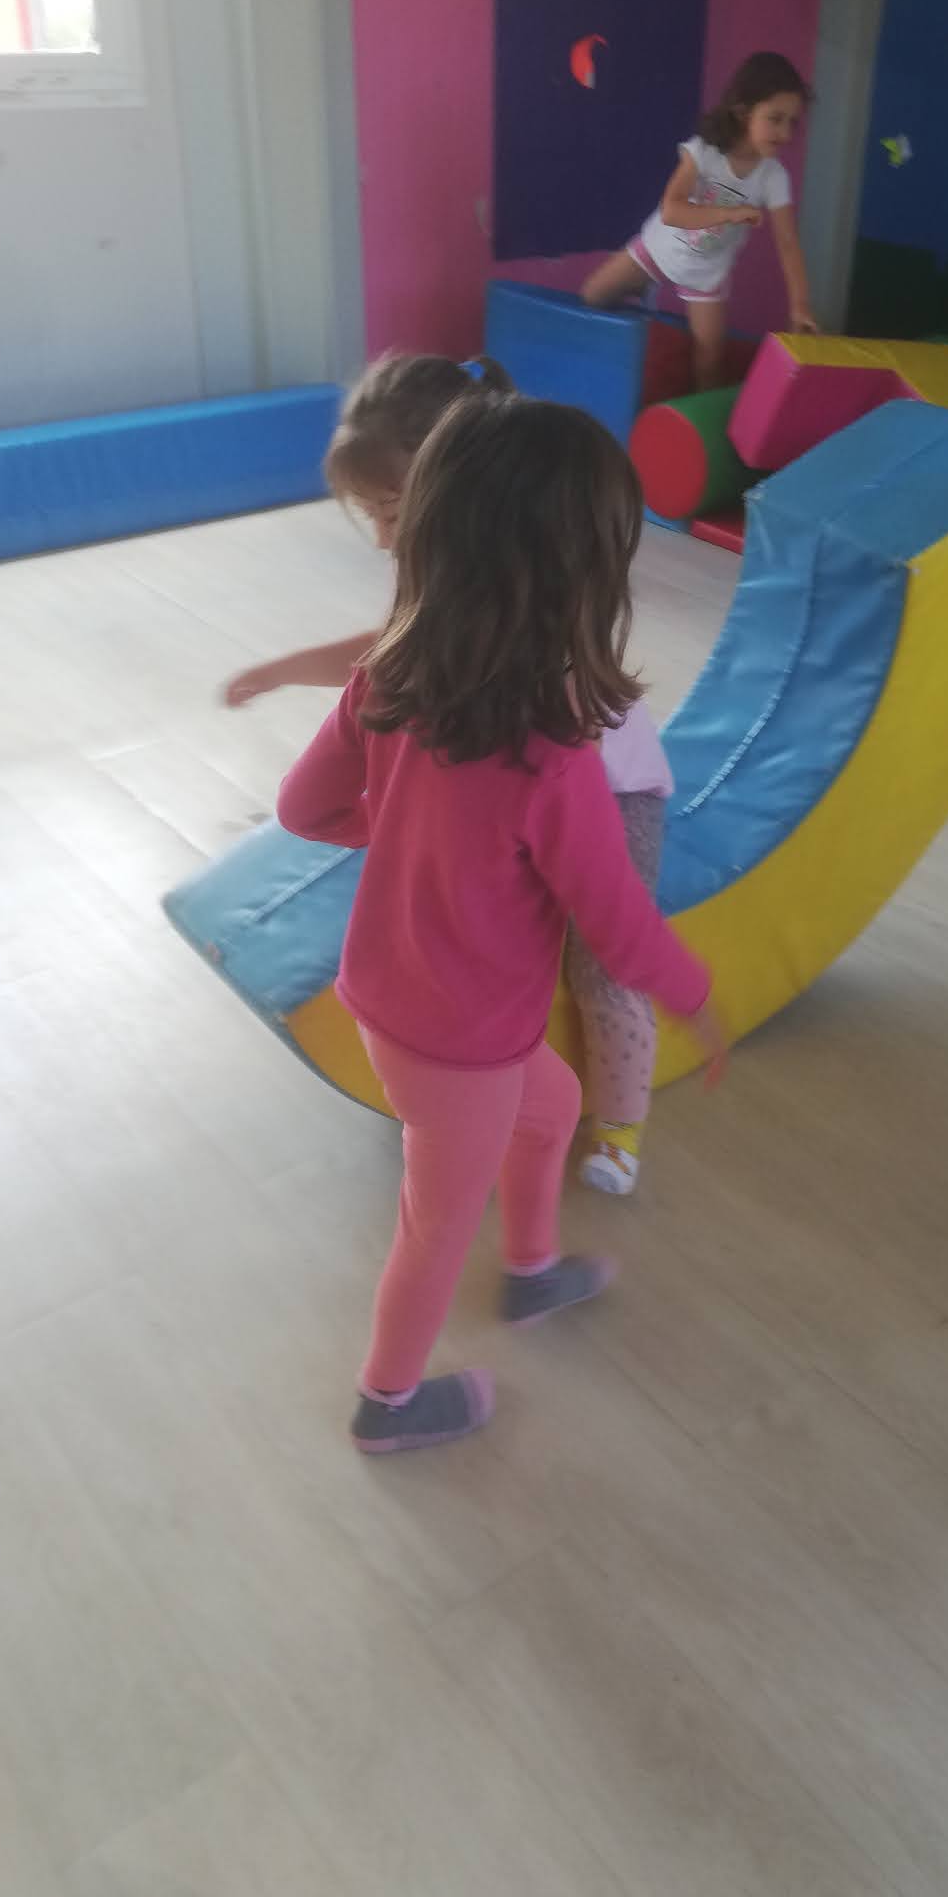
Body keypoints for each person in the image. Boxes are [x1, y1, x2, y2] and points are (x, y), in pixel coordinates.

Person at [274, 392, 725, 1452]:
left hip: (402, 1001)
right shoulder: (554, 755)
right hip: (461, 1038)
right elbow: (616, 921)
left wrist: (405, 828)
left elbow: (302, 809)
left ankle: (530, 1272)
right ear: (585, 576)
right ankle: (386, 1404)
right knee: (436, 1224)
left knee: (553, 1106)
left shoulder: (385, 679)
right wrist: (698, 999)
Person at [226, 352, 676, 1198]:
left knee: (603, 961)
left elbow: (552, 756)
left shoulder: (534, 585)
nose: (385, 538)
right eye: (373, 516)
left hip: (607, 794)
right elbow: (387, 656)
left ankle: (620, 1126)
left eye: (393, 512)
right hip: (515, 783)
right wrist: (284, 671)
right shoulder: (444, 571)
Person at [581, 50, 818, 388]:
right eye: (775, 118)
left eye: (792, 122)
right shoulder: (704, 150)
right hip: (658, 250)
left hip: (706, 275)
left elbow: (788, 243)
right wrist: (729, 213)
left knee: (709, 363)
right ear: (743, 111)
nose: (785, 133)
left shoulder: (773, 176)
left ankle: (700, 419)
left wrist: (800, 305)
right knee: (593, 296)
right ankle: (641, 293)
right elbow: (672, 211)